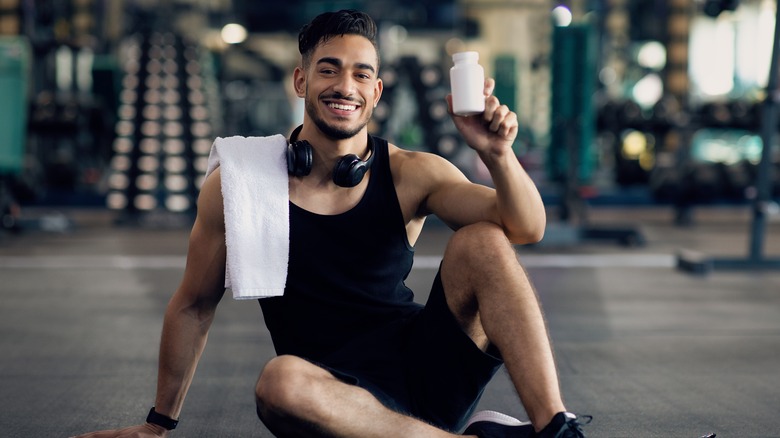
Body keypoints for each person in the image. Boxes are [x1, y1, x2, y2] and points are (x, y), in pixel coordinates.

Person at [74, 9, 589, 438]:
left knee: (483, 239)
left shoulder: (413, 173)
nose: (346, 85)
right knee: (279, 383)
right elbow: (193, 304)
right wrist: (157, 425)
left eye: (362, 73)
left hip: (428, 373)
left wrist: (498, 154)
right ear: (301, 79)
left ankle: (554, 428)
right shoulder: (242, 183)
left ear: (377, 90)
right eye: (329, 69)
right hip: (330, 398)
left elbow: (525, 229)